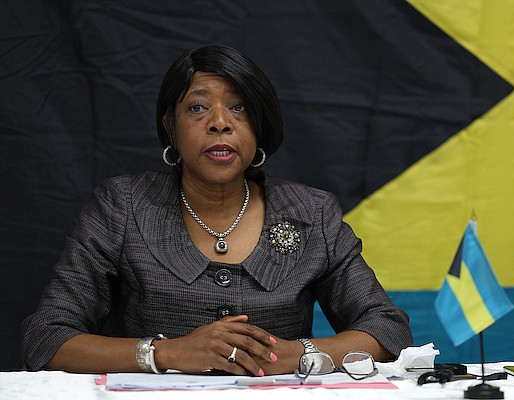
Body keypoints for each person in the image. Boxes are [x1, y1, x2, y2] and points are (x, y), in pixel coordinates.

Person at [22, 45, 413, 376]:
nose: (220, 124)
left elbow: (386, 329)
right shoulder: (123, 206)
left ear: (259, 126)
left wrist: (296, 354)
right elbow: (48, 337)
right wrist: (168, 353)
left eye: (239, 108)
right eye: (197, 108)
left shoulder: (313, 213)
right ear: (170, 127)